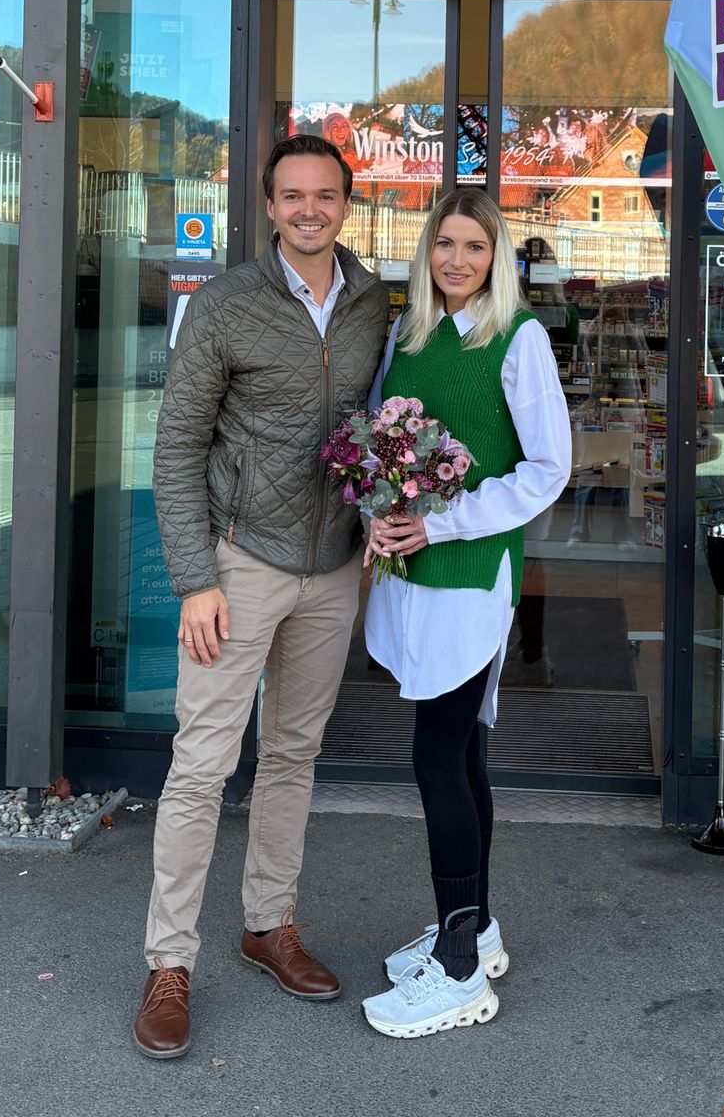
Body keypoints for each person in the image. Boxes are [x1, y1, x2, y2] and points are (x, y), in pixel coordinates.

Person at [133, 134, 389, 1060]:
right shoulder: (226, 304)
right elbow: (175, 448)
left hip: (333, 568)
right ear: (270, 205)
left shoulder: (372, 301)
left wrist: (377, 520)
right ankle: (169, 962)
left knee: (292, 754)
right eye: (293, 195)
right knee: (202, 764)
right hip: (240, 565)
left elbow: (374, 428)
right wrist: (195, 579)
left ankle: (268, 924)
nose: (309, 209)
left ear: (346, 205)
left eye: (326, 195)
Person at [358, 189, 571, 1039]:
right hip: (412, 572)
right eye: (444, 244)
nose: (456, 260)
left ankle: (456, 974)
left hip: (471, 574)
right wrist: (376, 511)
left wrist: (442, 522)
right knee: (463, 755)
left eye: (474, 247)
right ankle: (475, 930)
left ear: (498, 257)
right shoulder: (407, 333)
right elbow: (381, 446)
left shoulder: (519, 338)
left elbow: (547, 469)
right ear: (426, 251)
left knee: (437, 758)